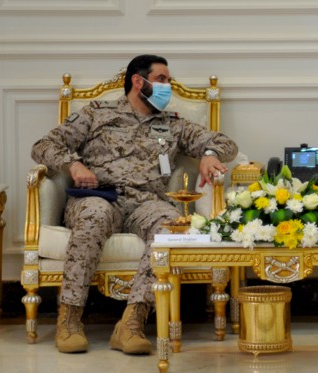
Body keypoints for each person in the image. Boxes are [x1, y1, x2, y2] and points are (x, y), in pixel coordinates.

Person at [31, 54, 238, 354]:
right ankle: (70, 319)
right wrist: (74, 166)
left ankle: (131, 324)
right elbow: (43, 146)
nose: (169, 86)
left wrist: (208, 153)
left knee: (170, 227)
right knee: (94, 217)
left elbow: (227, 144)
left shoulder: (173, 125)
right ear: (138, 82)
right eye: (163, 80)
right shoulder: (97, 113)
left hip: (146, 202)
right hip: (100, 197)